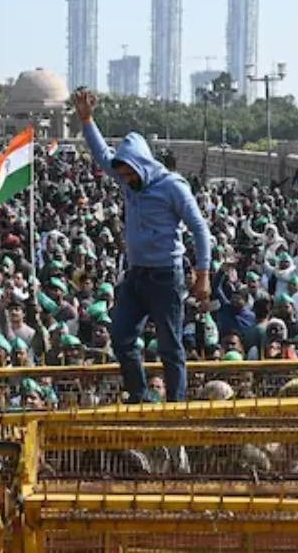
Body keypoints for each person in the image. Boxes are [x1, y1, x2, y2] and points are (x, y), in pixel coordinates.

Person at [73, 88, 212, 404]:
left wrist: (203, 274)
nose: (124, 179)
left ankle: (175, 405)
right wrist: (86, 120)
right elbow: (101, 155)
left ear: (142, 165)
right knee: (121, 337)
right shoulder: (125, 176)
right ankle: (141, 395)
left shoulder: (172, 187)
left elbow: (200, 229)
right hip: (136, 275)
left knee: (169, 346)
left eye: (129, 174)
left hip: (166, 276)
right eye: (121, 174)